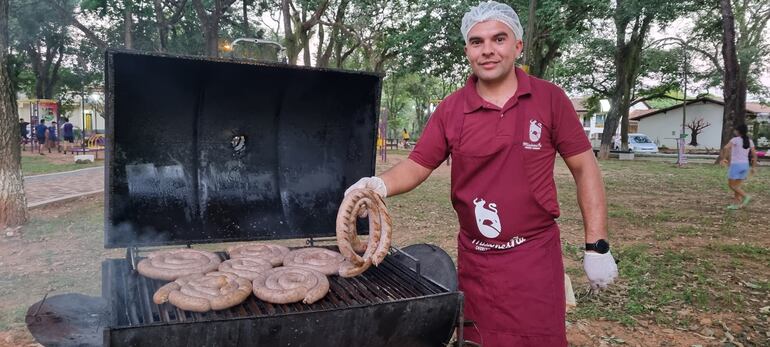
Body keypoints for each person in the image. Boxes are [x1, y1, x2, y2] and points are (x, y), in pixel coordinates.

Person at [344, 2, 617, 346]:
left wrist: (597, 246)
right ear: (467, 51)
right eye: (477, 42)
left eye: (499, 39)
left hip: (534, 257)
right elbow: (417, 165)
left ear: (517, 46)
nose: (487, 50)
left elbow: (584, 166)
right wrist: (378, 185)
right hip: (478, 260)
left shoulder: (550, 99)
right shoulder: (451, 109)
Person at [720, 124, 757, 209]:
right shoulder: (749, 141)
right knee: (737, 186)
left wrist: (724, 158)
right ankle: (736, 204)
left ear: (738, 131)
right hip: (745, 165)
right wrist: (753, 167)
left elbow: (726, 148)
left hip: (736, 165)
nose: (734, 131)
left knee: (731, 186)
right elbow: (754, 155)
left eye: (735, 130)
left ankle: (746, 196)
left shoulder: (735, 140)